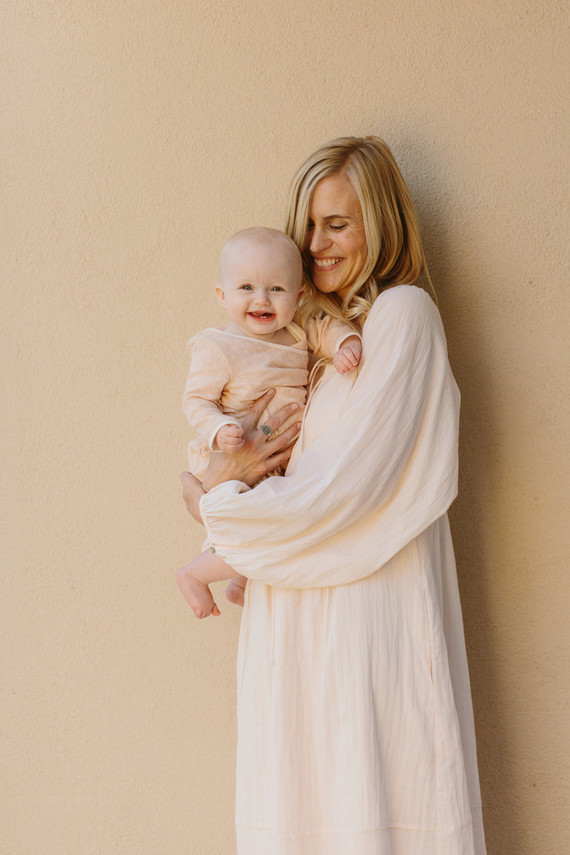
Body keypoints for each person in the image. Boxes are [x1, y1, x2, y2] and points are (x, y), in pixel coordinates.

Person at [178, 136, 486, 855]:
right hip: (294, 626)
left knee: (375, 809)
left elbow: (347, 493)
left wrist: (213, 503)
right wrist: (221, 480)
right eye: (309, 225)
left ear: (382, 225)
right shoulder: (304, 340)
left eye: (338, 224)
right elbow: (262, 462)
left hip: (367, 627)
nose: (315, 245)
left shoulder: (402, 316)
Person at [180, 226, 362, 615]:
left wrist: (345, 343)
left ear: (299, 296)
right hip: (233, 454)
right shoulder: (219, 345)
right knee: (252, 528)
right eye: (246, 287)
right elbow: (196, 400)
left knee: (269, 530)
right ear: (222, 295)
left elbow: (326, 328)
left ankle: (240, 580)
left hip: (276, 465)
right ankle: (194, 575)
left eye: (276, 289)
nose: (261, 299)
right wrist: (218, 429)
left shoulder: (297, 332)